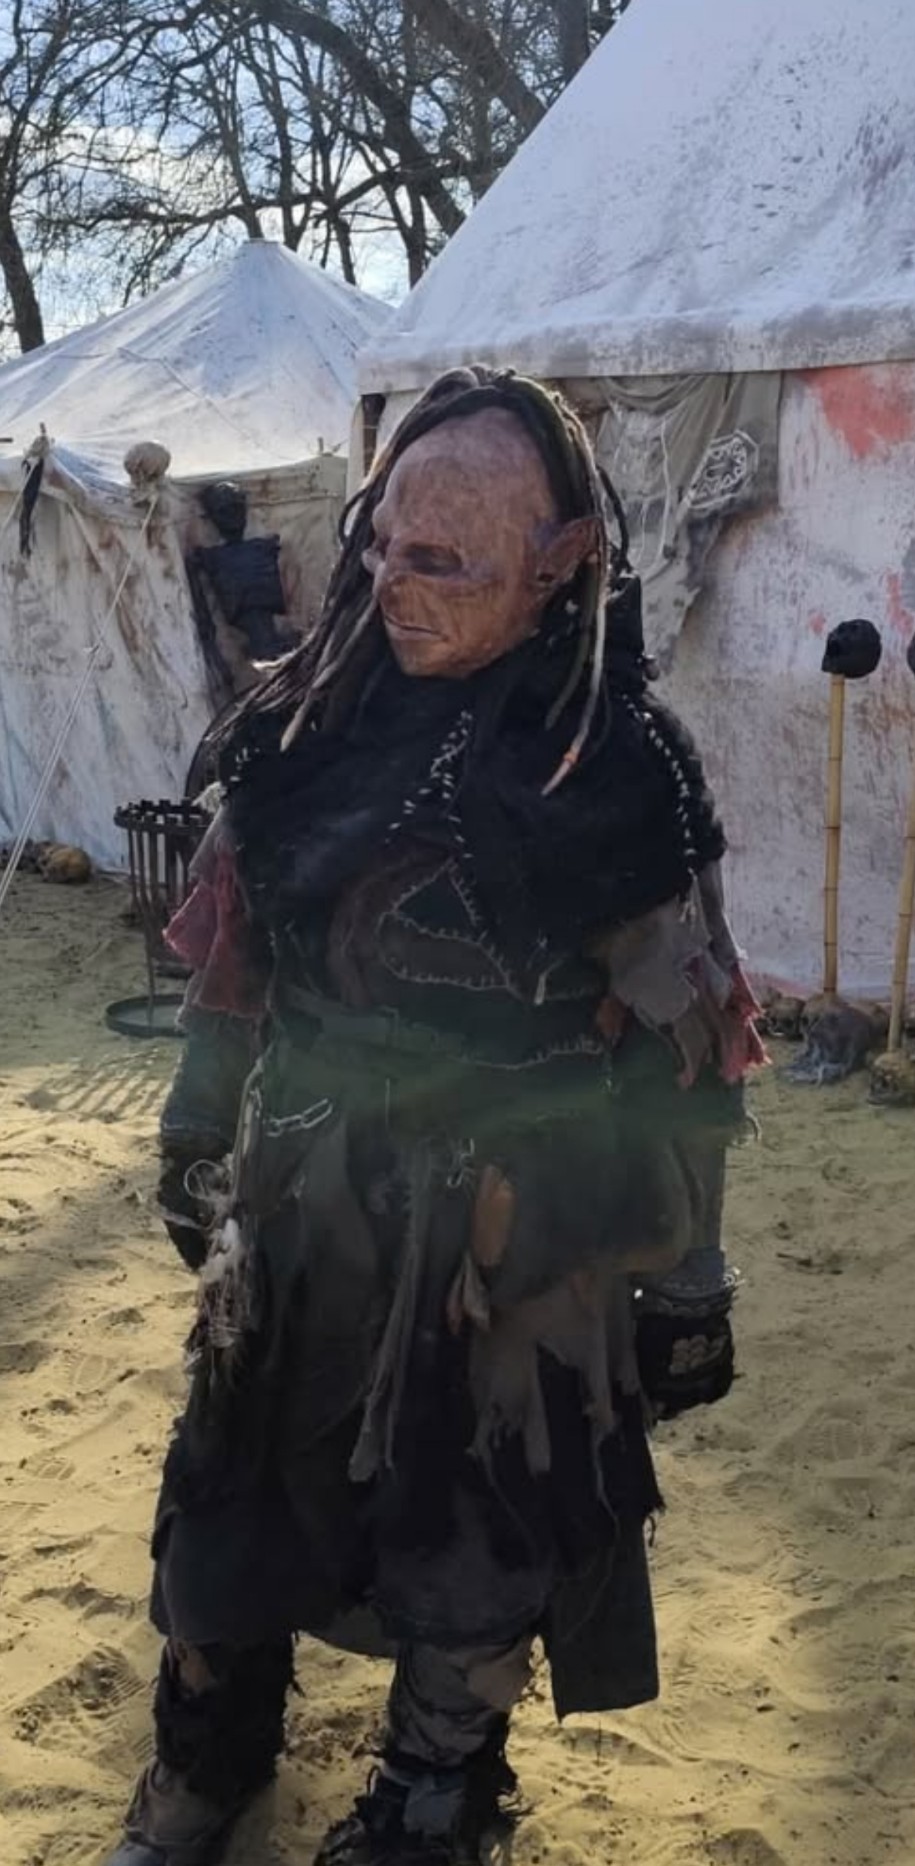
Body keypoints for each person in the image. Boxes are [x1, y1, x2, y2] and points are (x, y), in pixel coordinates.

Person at [105, 367, 763, 1866]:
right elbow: (236, 961)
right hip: (302, 1197)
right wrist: (197, 1125)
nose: (397, 584)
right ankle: (206, 1764)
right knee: (229, 1499)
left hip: (517, 1234)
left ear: (560, 562)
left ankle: (427, 1805)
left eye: (447, 560)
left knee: (477, 1544)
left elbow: (692, 1048)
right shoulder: (302, 732)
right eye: (385, 544)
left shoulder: (620, 776)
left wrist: (693, 1284)